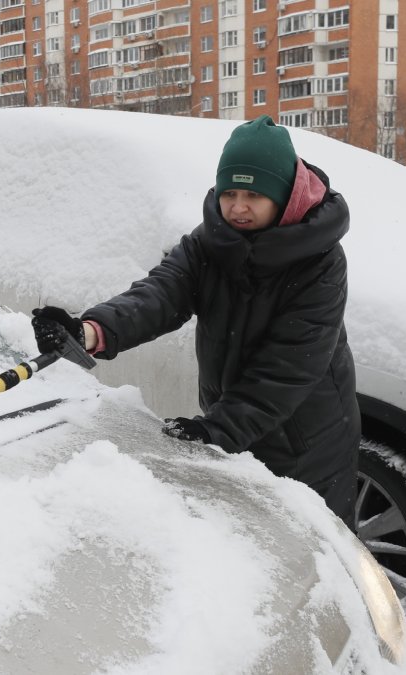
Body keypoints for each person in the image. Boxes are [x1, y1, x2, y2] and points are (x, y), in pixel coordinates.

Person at [31, 115, 360, 524]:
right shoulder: (210, 243)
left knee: (316, 567)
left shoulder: (321, 262)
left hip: (307, 446)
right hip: (233, 428)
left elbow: (289, 368)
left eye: (253, 196)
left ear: (283, 198)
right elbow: (159, 294)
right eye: (230, 192)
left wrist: (215, 431)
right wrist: (89, 330)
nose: (237, 207)